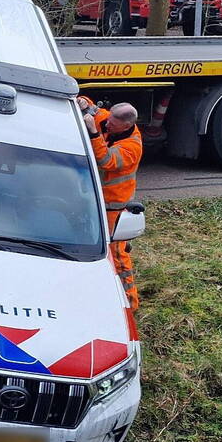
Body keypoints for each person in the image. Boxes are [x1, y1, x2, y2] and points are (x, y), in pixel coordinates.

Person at [80, 96, 143, 310]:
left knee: (117, 256)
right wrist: (83, 103)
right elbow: (96, 111)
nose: (107, 125)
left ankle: (130, 306)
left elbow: (107, 162)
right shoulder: (113, 121)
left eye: (112, 125)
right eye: (109, 122)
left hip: (113, 208)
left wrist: (95, 133)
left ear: (126, 125)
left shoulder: (131, 147)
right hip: (100, 202)